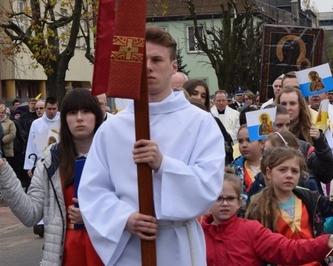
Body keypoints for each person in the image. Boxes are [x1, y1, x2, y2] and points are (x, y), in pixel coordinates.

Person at [78, 26, 224, 265]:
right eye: (141, 60)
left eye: (157, 59)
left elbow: (209, 185)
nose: (148, 67)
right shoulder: (112, 128)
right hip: (131, 245)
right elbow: (92, 191)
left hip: (178, 245)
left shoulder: (200, 122)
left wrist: (163, 165)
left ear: (174, 66)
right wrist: (125, 218)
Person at [0, 89, 105, 265]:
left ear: (97, 116)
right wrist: (5, 175)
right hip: (66, 253)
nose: (79, 118)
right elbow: (30, 214)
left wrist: (91, 215)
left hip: (107, 251)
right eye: (72, 112)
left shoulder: (112, 156)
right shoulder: (51, 160)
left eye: (86, 111)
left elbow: (131, 207)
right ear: (64, 119)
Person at [246, 147, 333, 266]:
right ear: (269, 173)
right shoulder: (257, 208)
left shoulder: (310, 198)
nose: (289, 175)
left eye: (294, 171)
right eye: (282, 170)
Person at [201, 168, 333, 266]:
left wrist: (324, 243)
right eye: (219, 198)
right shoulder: (197, 233)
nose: (225, 204)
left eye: (230, 198)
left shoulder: (250, 229)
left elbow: (287, 249)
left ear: (239, 202)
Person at [24, 98, 60, 178]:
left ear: (57, 108)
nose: (52, 112)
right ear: (45, 108)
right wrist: (30, 165)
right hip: (42, 161)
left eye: (54, 109)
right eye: (49, 109)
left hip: (60, 161)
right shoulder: (36, 124)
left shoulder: (63, 120)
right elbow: (31, 145)